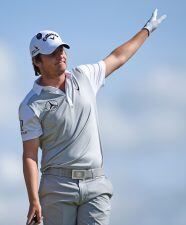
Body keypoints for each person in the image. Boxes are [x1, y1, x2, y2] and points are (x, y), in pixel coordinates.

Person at [19, 9, 166, 225]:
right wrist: (33, 200)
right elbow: (30, 156)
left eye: (62, 49)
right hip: (57, 188)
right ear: (37, 61)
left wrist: (147, 29)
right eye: (52, 52)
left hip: (96, 184)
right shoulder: (30, 104)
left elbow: (118, 57)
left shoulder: (84, 76)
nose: (61, 54)